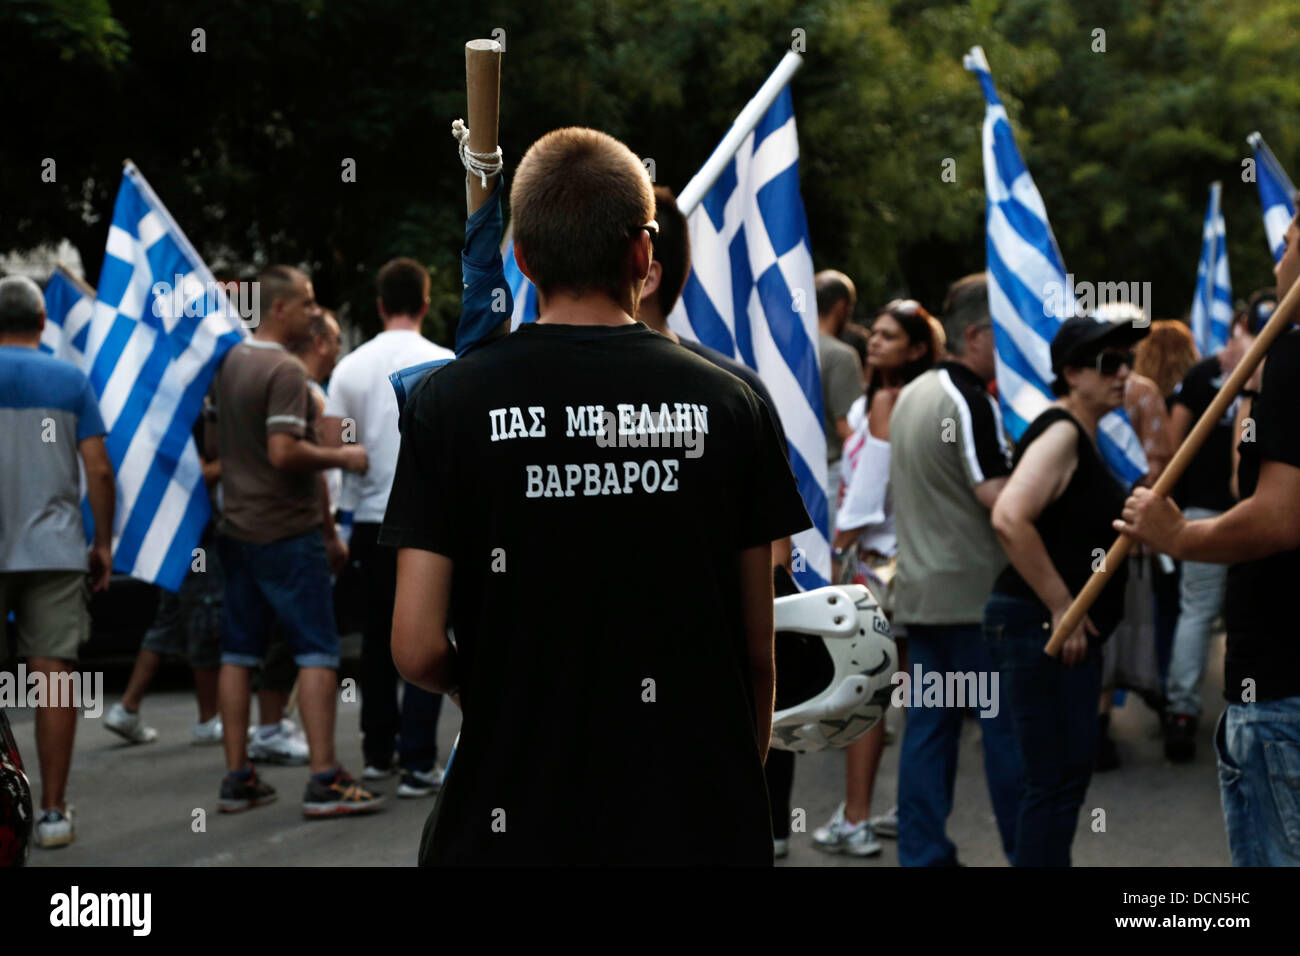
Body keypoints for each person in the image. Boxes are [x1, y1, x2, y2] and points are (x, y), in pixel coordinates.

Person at [383, 127, 811, 865]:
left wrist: (475, 687)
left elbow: (416, 647)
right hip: (694, 816)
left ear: (520, 258)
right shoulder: (734, 405)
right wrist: (732, 789)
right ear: (644, 257)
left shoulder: (448, 405)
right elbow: (756, 651)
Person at [1117, 213, 1300, 865]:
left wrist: (1179, 535)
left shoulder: (1294, 358)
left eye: (1292, 232)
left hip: (1283, 685)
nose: (1281, 248)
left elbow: (1279, 516)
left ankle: (1181, 710)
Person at [633, 185, 801, 857]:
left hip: (694, 726)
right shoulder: (537, 393)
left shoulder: (733, 395)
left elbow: (775, 571)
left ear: (646, 270)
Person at [212, 265, 381, 817]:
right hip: (287, 531)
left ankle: (238, 778)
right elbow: (284, 453)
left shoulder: (229, 362)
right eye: (307, 303)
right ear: (279, 308)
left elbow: (217, 449)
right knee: (317, 654)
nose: (314, 312)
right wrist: (344, 456)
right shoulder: (284, 369)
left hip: (236, 529)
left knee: (238, 654)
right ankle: (324, 780)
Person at [986, 313, 1149, 866]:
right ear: (1072, 372)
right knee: (1053, 782)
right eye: (1109, 363)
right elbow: (1009, 516)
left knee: (1060, 780)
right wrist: (1063, 607)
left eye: (1127, 361)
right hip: (1043, 627)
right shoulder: (1061, 431)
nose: (1123, 372)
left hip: (1053, 629)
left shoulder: (1083, 432)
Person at [890, 273, 1023, 867]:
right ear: (977, 334)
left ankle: (922, 855)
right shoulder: (967, 398)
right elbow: (1000, 497)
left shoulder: (912, 394)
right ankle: (1029, 851)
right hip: (974, 600)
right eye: (1005, 333)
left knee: (927, 734)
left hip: (922, 596)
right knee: (1005, 737)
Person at [320, 258, 454, 798]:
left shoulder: (350, 368)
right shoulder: (444, 362)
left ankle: (378, 753)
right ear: (425, 303)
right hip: (430, 525)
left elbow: (335, 448)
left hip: (372, 522)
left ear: (379, 306)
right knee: (430, 636)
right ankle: (419, 760)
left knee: (378, 640)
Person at [813, 298, 938, 857]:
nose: (877, 342)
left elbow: (868, 494)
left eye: (890, 336)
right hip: (901, 564)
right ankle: (901, 814)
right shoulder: (905, 397)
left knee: (866, 697)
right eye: (876, 333)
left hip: (877, 566)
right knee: (906, 698)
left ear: (915, 348)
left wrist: (833, 552)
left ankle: (857, 818)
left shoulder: (889, 400)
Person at [0, 275, 115, 848]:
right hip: (54, 548)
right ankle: (51, 812)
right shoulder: (69, 379)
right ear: (42, 323)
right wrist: (104, 545)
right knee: (54, 675)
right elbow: (98, 467)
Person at [1160, 295, 1266, 762]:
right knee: (1230, 609)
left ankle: (1182, 711)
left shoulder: (1207, 374)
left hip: (1218, 512)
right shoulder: (1256, 373)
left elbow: (1170, 441)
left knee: (1198, 612)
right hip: (1255, 514)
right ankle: (1248, 704)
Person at [105, 400, 224, 746]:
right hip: (192, 536)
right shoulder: (186, 417)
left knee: (168, 620)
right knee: (203, 617)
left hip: (175, 533)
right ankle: (207, 718)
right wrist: (237, 460)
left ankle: (127, 708)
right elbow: (198, 476)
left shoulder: (165, 411)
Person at [1132, 319, 1199, 694]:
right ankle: (1168, 686)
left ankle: (1160, 683)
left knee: (1163, 605)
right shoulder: (1193, 393)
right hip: (1184, 511)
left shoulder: (1136, 394)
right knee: (1176, 606)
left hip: (1158, 512)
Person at [816, 271, 865, 499]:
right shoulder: (840, 356)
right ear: (841, 306)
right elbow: (847, 429)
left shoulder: (784, 353)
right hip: (830, 474)